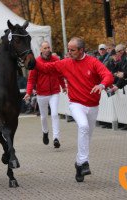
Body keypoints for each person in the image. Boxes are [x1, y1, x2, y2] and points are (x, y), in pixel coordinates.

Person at [35, 37, 114, 182]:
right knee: (83, 126)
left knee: (87, 137)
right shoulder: (65, 63)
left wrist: (102, 85)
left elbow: (107, 75)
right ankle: (84, 162)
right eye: (68, 49)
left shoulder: (93, 62)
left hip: (93, 105)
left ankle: (78, 163)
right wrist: (31, 61)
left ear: (81, 50)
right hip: (76, 103)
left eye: (72, 50)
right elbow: (46, 68)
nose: (69, 52)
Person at [24, 41, 66, 148]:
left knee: (55, 114)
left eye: (48, 47)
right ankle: (45, 132)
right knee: (43, 117)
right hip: (42, 93)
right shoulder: (36, 62)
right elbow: (31, 80)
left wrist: (64, 86)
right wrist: (28, 93)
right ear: (41, 50)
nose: (47, 49)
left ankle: (56, 138)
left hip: (54, 92)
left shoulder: (56, 60)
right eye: (45, 48)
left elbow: (60, 74)